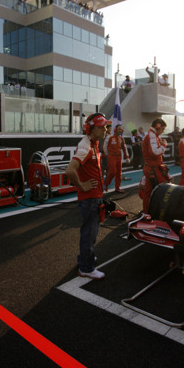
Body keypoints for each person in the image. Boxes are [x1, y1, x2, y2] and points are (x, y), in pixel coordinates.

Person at [65, 113, 109, 280]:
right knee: (89, 234)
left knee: (91, 232)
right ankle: (86, 268)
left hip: (93, 197)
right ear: (91, 129)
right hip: (89, 198)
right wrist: (82, 185)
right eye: (102, 126)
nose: (105, 129)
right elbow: (70, 170)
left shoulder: (93, 143)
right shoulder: (86, 146)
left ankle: (85, 258)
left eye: (105, 125)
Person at [140, 118, 170, 213]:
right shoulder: (152, 136)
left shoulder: (153, 135)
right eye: (162, 129)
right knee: (163, 190)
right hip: (153, 169)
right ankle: (158, 213)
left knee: (148, 192)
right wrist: (164, 145)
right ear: (158, 126)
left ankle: (146, 213)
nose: (163, 131)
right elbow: (155, 152)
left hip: (151, 167)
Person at [104, 124, 130, 193]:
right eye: (119, 129)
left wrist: (127, 157)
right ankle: (106, 184)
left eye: (121, 129)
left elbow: (124, 148)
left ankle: (117, 187)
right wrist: (108, 154)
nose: (120, 131)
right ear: (115, 130)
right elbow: (105, 146)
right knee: (113, 172)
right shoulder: (109, 137)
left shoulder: (121, 139)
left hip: (119, 157)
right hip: (112, 157)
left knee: (119, 173)